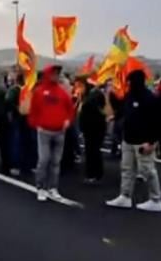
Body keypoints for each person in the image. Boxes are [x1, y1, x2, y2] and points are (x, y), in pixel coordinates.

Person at [106, 69, 161, 212]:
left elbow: (159, 123)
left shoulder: (150, 98)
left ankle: (156, 199)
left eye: (130, 82)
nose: (129, 84)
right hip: (128, 139)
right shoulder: (129, 96)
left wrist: (151, 142)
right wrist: (113, 99)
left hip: (143, 141)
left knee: (148, 171)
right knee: (127, 169)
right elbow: (122, 110)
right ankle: (125, 196)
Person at [28, 65, 73, 202]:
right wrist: (37, 126)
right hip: (44, 132)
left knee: (55, 162)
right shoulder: (39, 92)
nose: (56, 76)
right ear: (48, 74)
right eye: (54, 73)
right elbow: (33, 112)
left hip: (60, 132)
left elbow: (70, 110)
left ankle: (53, 187)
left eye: (58, 74)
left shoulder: (62, 93)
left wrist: (68, 121)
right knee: (44, 160)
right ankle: (41, 187)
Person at [78, 81, 107, 184]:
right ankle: (95, 173)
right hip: (96, 127)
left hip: (92, 128)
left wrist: (82, 126)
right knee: (94, 151)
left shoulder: (91, 98)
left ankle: (92, 174)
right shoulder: (96, 95)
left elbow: (88, 114)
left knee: (92, 151)